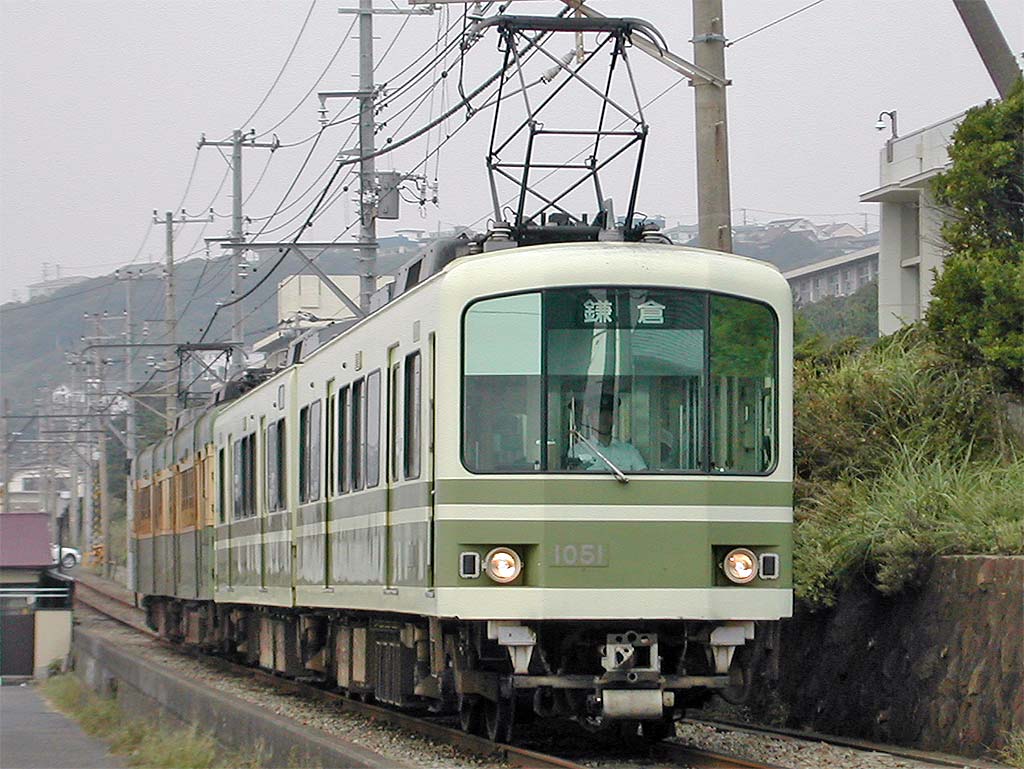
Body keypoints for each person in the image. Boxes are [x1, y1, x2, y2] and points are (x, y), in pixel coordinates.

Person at [569, 395, 647, 472]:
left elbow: (644, 479)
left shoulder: (629, 451)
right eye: (599, 414)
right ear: (590, 418)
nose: (604, 418)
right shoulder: (578, 450)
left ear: (614, 418)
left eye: (609, 414)